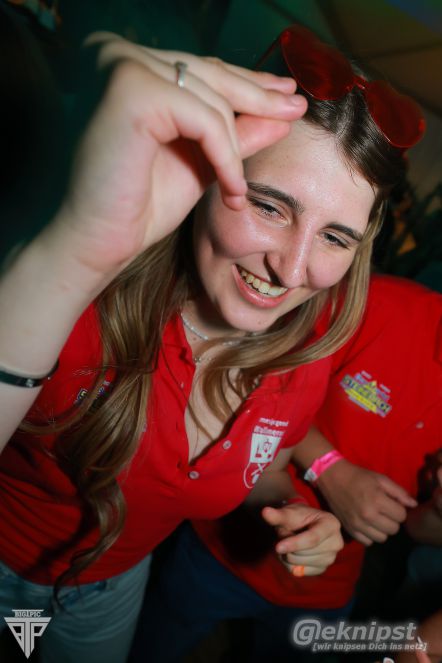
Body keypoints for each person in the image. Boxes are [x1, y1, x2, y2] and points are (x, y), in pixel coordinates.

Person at [0, 21, 423, 663]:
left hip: (115, 589)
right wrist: (71, 254)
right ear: (202, 169)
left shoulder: (304, 355)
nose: (292, 269)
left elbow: (266, 466)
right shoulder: (76, 306)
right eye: (269, 206)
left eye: (335, 237)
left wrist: (295, 508)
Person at [132, 274, 442, 662]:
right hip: (224, 541)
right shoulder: (375, 302)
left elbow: (417, 529)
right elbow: (251, 387)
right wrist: (329, 469)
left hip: (327, 586)